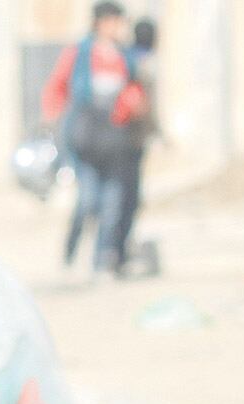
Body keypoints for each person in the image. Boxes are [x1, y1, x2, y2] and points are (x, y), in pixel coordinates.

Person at [42, 0, 144, 276]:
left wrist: (131, 105)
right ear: (100, 23)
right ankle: (71, 246)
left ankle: (102, 259)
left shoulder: (125, 57)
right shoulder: (79, 54)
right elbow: (57, 87)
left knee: (113, 203)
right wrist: (52, 118)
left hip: (116, 139)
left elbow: (134, 90)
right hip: (86, 140)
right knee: (88, 201)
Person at [117, 17, 159, 274]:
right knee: (127, 198)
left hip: (121, 139)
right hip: (130, 141)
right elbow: (143, 105)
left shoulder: (126, 57)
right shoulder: (142, 63)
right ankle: (117, 251)